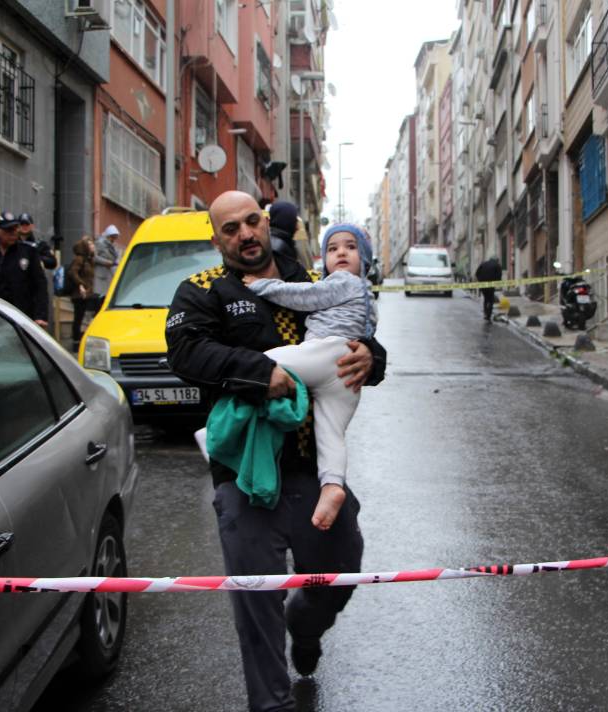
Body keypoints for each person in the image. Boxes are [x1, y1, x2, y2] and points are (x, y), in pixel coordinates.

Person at [165, 191, 386, 712]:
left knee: (340, 572)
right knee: (256, 601)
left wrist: (372, 357)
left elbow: (354, 322)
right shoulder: (202, 289)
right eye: (230, 228)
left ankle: (304, 627)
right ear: (216, 239)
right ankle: (271, 703)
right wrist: (260, 373)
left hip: (309, 465)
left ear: (265, 224)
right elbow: (187, 352)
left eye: (251, 222)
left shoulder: (312, 281)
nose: (244, 234)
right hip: (244, 474)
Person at [234, 222, 377, 531]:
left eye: (351, 247)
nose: (341, 253)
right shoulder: (367, 293)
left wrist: (261, 285)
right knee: (331, 434)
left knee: (258, 365)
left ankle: (215, 437)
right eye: (333, 248)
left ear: (365, 258)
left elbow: (305, 296)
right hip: (346, 378)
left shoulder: (343, 281)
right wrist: (371, 353)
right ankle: (332, 485)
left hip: (327, 353)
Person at [0, 211, 48, 326]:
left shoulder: (28, 252)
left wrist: (40, 316)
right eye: (8, 230)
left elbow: (40, 285)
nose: (13, 233)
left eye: (15, 228)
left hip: (22, 315)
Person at [67, 236, 97, 348]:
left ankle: (83, 339)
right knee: (78, 318)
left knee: (87, 316)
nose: (93, 246)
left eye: (92, 244)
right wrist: (81, 285)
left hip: (88, 293)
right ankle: (76, 342)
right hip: (79, 294)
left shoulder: (89, 260)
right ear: (85, 247)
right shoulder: (79, 259)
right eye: (90, 245)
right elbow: (73, 272)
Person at [93, 224, 121, 298]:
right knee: (100, 296)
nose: (114, 239)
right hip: (101, 274)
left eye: (115, 237)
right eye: (113, 237)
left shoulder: (112, 245)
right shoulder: (99, 243)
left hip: (109, 273)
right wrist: (107, 262)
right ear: (109, 236)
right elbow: (94, 257)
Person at [475, 255, 503, 321]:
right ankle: (488, 315)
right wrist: (496, 282)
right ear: (497, 260)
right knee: (491, 300)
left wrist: (480, 280)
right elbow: (499, 276)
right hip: (491, 285)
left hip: (482, 285)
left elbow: (477, 273)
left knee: (486, 298)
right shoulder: (497, 266)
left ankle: (485, 312)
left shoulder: (483, 264)